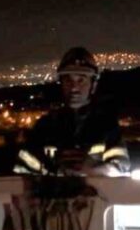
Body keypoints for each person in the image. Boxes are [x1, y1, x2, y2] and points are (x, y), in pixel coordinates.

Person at [15, 47, 130, 175]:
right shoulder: (44, 127)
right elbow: (22, 173)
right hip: (53, 195)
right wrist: (54, 168)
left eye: (81, 80)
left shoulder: (107, 126)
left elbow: (121, 170)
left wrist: (92, 167)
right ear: (61, 84)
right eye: (68, 80)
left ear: (93, 85)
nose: (74, 87)